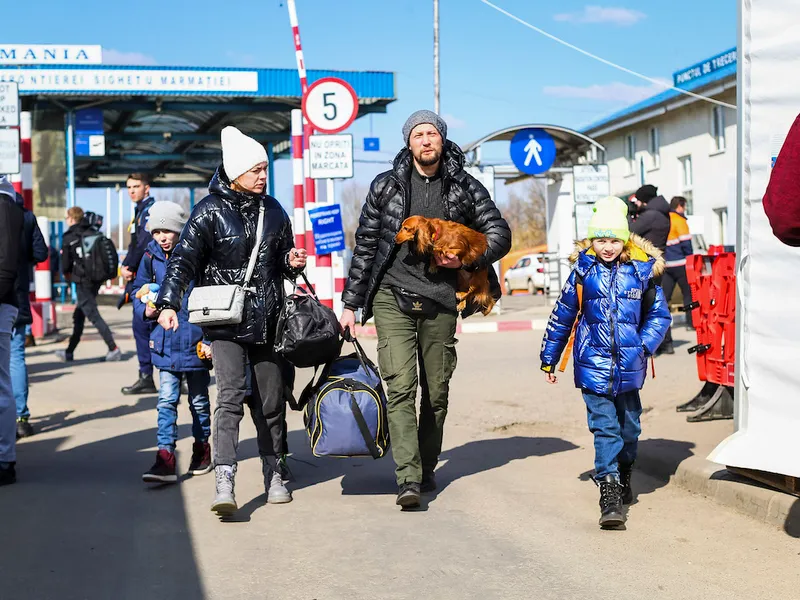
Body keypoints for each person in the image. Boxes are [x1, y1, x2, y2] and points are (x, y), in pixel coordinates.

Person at [339, 110, 512, 509]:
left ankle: (426, 466)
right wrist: (350, 303)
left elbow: (498, 234)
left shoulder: (465, 187)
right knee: (401, 387)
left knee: (436, 392)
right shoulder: (386, 186)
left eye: (431, 133)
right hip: (391, 294)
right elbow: (366, 244)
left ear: (442, 139)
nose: (425, 140)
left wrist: (466, 262)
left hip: (441, 298)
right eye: (418, 134)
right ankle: (408, 478)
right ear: (408, 143)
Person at [155, 126, 307, 516]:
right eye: (255, 169)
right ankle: (225, 479)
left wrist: (291, 262)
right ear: (236, 171)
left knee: (271, 404)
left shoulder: (274, 210)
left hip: (270, 321)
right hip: (225, 321)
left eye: (265, 169)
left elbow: (282, 257)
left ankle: (274, 472)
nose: (263, 176)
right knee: (229, 398)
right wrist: (168, 302)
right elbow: (183, 261)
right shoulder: (209, 211)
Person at [540, 196, 670, 529]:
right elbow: (563, 316)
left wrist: (642, 345)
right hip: (591, 363)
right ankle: (609, 489)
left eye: (613, 239)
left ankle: (624, 472)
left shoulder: (640, 274)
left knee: (630, 428)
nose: (607, 247)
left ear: (624, 239)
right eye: (600, 239)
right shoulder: (584, 271)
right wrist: (549, 358)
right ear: (592, 240)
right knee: (605, 428)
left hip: (630, 366)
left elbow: (659, 315)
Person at [133, 201, 213, 483]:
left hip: (195, 342)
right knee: (166, 400)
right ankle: (165, 456)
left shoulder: (198, 256)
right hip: (164, 342)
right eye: (157, 232)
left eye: (167, 230)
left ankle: (202, 449)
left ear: (179, 230)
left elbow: (211, 297)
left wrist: (209, 337)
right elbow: (137, 292)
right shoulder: (149, 258)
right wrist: (145, 308)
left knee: (199, 402)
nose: (162, 237)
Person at [55, 207, 122, 363]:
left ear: (71, 219)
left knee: (93, 315)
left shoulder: (69, 237)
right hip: (95, 281)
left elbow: (65, 265)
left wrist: (68, 275)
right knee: (79, 315)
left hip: (82, 281)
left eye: (67, 218)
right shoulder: (92, 233)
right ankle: (69, 352)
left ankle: (114, 348)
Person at [11, 192, 48, 438]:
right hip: (17, 296)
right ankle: (21, 417)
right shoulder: (26, 216)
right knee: (16, 357)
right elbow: (41, 253)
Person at [120, 173, 157, 396]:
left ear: (147, 188)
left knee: (144, 324)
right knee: (145, 324)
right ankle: (148, 376)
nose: (132, 190)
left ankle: (148, 376)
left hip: (148, 274)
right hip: (144, 271)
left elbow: (143, 241)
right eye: (129, 187)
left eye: (136, 186)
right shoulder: (140, 210)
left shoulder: (148, 211)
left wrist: (129, 266)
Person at [0, 176, 24, 485]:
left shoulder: (5, 206)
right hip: (6, 301)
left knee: (1, 383)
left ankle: (5, 459)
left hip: (2, 303)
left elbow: (5, 264)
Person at [657, 196, 695, 355]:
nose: (684, 210)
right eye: (684, 207)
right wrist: (690, 257)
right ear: (679, 206)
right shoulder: (680, 220)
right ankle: (691, 322)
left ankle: (665, 329)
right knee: (688, 294)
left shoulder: (665, 219)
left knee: (665, 298)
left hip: (666, 264)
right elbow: (686, 243)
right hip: (680, 263)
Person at [630, 184, 671, 251]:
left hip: (649, 256)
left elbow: (630, 231)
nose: (636, 203)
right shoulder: (660, 211)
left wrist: (628, 215)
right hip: (658, 253)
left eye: (638, 200)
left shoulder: (650, 215)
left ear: (644, 200)